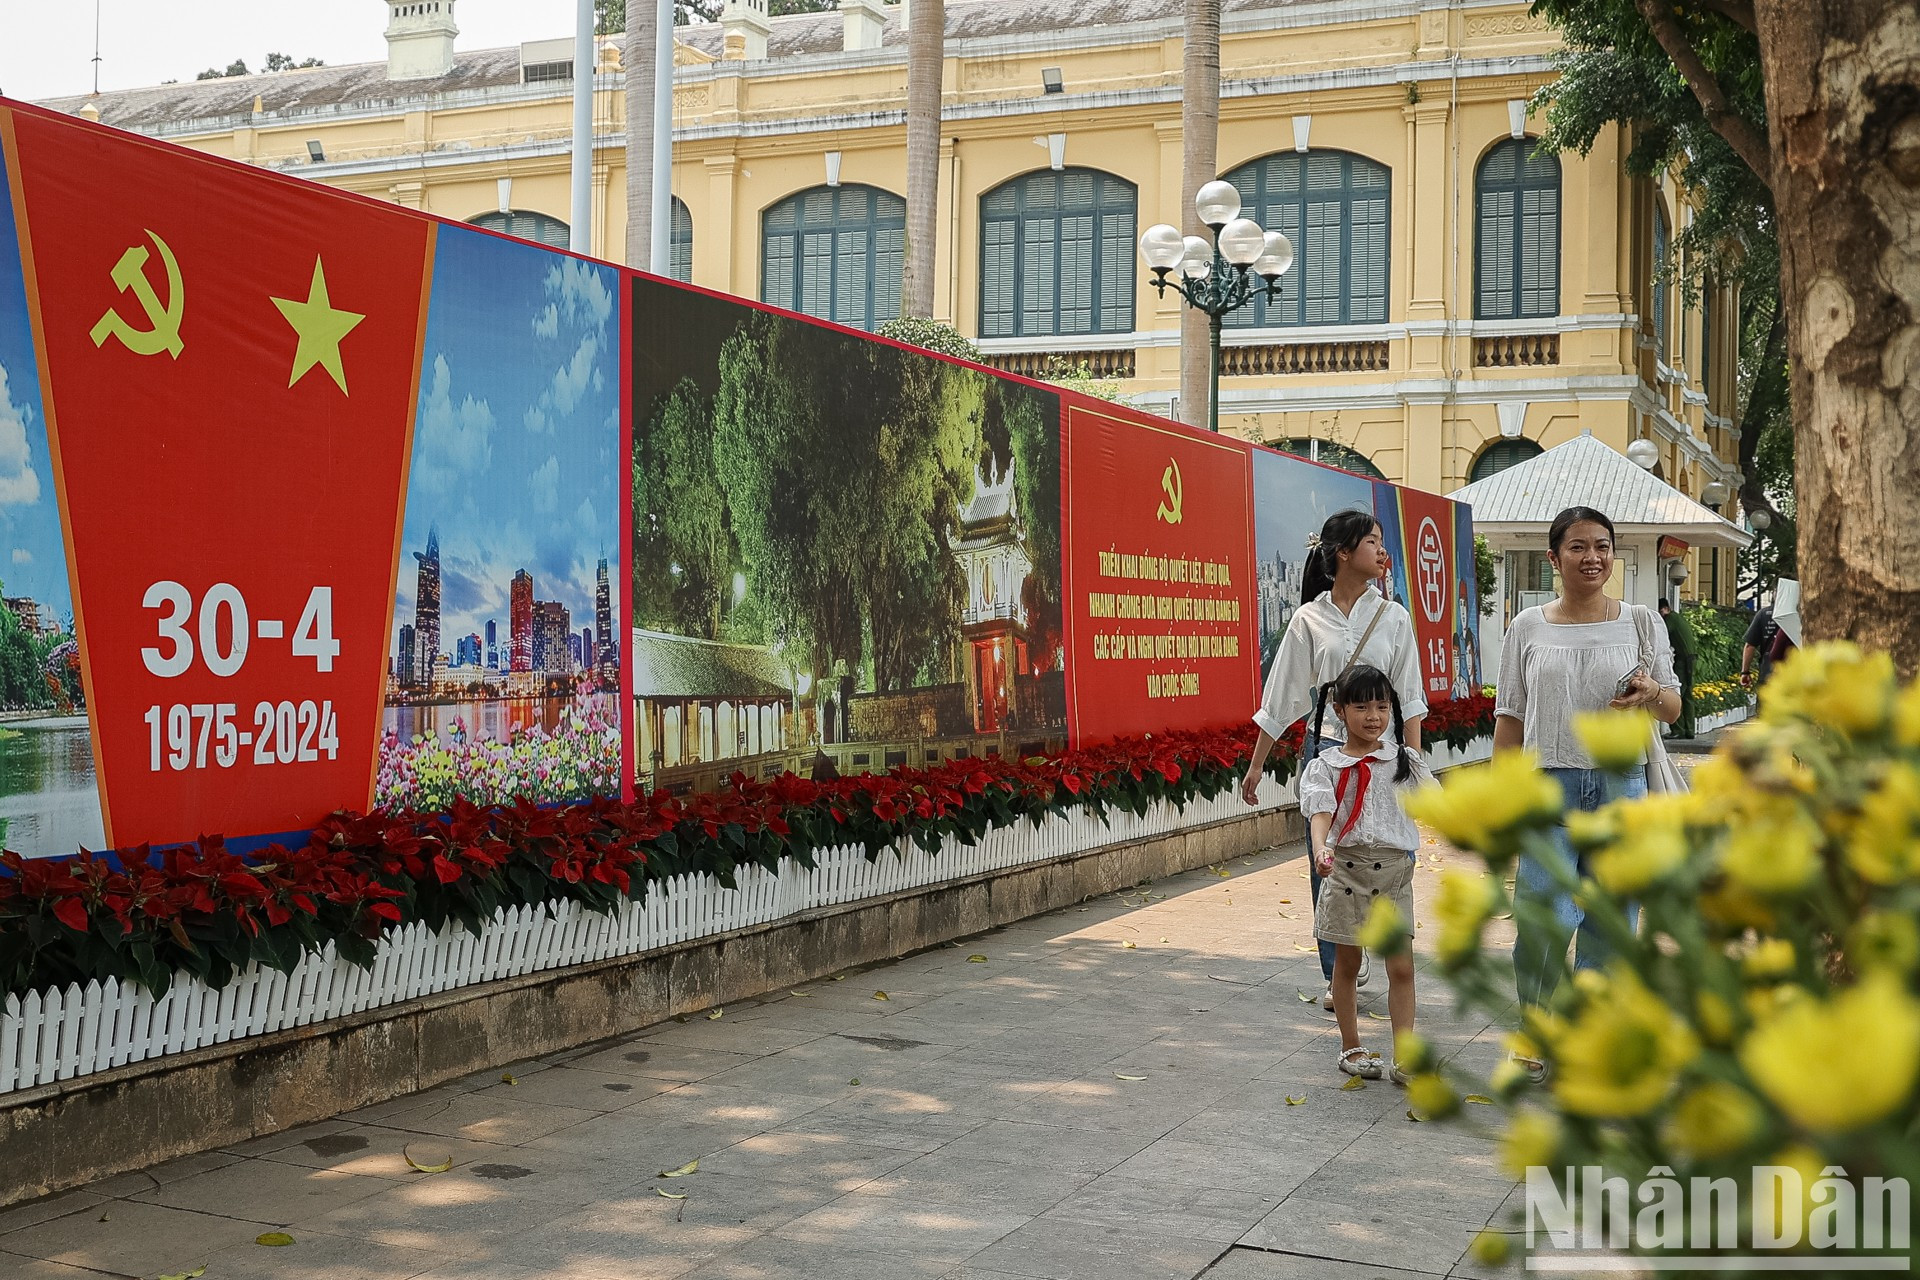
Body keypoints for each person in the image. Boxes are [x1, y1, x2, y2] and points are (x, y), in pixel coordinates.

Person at [1493, 506, 1680, 1076]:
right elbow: (1510, 718)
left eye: (1602, 546)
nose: (1592, 557)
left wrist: (1651, 690)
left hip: (1623, 788)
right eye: (1577, 547)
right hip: (1548, 787)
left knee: (1611, 922)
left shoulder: (1642, 622)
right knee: (1542, 918)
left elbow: (1673, 707)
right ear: (1554, 558)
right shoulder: (1527, 626)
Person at [1240, 508, 1427, 1010]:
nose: (1382, 552)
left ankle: (1385, 944)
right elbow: (1281, 697)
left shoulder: (1393, 617)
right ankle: (1337, 968)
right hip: (1326, 750)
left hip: (1384, 756)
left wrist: (1411, 761)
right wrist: (1257, 765)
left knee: (1392, 852)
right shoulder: (1308, 618)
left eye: (1382, 542)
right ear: (1343, 553)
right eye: (1372, 542)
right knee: (1326, 859)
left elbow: (1410, 697)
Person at [1297, 664, 1431, 1083]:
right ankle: (1351, 1045)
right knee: (1348, 964)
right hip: (1346, 872)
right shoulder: (1325, 765)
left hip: (1394, 875)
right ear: (1339, 710)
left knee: (1402, 967)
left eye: (1381, 706)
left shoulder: (1404, 761)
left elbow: (1435, 803)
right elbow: (1321, 811)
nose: (1373, 716)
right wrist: (1322, 847)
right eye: (1361, 707)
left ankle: (1404, 1056)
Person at [1658, 599, 1696, 738]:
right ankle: (1690, 730)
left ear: (1666, 609)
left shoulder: (1671, 619)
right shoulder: (1678, 618)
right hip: (1691, 660)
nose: (1660, 616)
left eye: (1660, 612)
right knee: (1688, 696)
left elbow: (1661, 635)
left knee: (1676, 694)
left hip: (1683, 662)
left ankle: (1678, 730)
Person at [1740, 601, 1779, 688]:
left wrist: (1745, 672)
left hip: (1768, 672)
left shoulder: (1763, 614)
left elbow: (1750, 646)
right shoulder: (1801, 613)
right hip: (1795, 674)